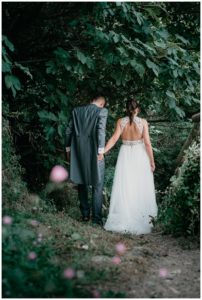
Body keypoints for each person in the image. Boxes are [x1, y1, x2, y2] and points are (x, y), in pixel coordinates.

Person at [104, 99, 158, 234]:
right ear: (137, 109)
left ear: (126, 109)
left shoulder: (120, 122)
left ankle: (124, 216)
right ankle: (142, 217)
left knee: (126, 184)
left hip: (125, 155)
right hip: (140, 155)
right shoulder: (143, 122)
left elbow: (114, 139)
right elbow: (147, 144)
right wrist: (152, 161)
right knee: (139, 185)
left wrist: (103, 151)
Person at [65, 95, 108, 225]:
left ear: (91, 100)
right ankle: (96, 219)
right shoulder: (102, 111)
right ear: (102, 104)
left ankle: (85, 215)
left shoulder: (76, 111)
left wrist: (68, 149)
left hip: (78, 151)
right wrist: (101, 150)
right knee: (97, 185)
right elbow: (101, 131)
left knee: (81, 182)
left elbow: (68, 131)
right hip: (95, 152)